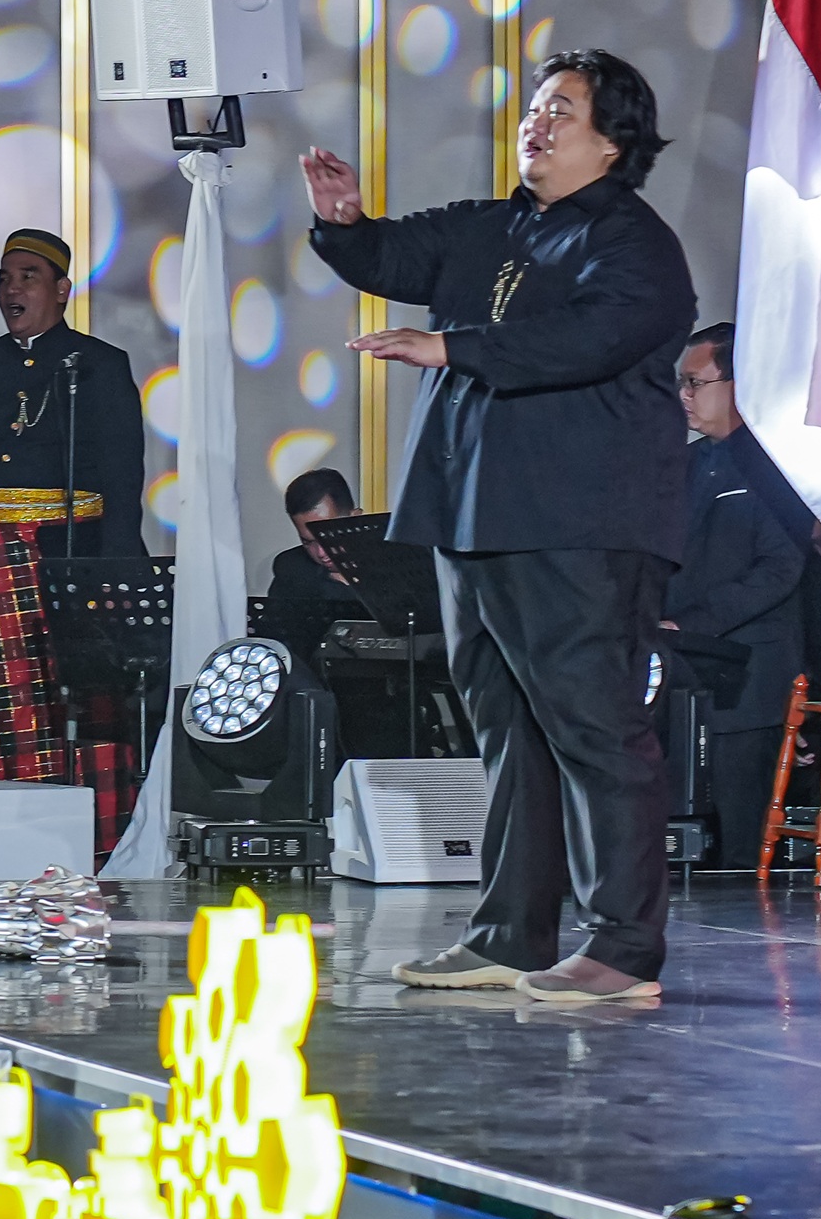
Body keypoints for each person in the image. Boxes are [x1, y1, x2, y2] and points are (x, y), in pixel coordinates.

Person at [304, 49, 694, 1004]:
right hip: (476, 515)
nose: (537, 123)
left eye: (562, 111)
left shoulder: (634, 244)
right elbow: (395, 255)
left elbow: (586, 338)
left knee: (595, 729)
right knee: (508, 733)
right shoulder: (496, 224)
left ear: (613, 141)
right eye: (535, 108)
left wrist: (450, 345)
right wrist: (345, 223)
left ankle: (624, 947)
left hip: (577, 521)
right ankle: (511, 933)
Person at [0, 230, 146, 853]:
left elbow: (123, 483)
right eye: (4, 277)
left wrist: (112, 579)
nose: (12, 289)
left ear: (62, 290)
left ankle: (83, 843)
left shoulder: (99, 364)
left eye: (27, 276)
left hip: (70, 554)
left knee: (65, 702)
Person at [660, 323, 806, 868]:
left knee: (743, 841)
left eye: (695, 383)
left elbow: (780, 567)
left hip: (749, 678)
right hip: (683, 670)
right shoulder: (687, 463)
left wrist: (692, 624)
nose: (684, 395)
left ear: (739, 385)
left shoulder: (778, 464)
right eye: (681, 382)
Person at [269, 468, 359, 607]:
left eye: (327, 536)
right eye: (307, 542)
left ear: (355, 519)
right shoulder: (291, 570)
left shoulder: (391, 565)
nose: (321, 553)